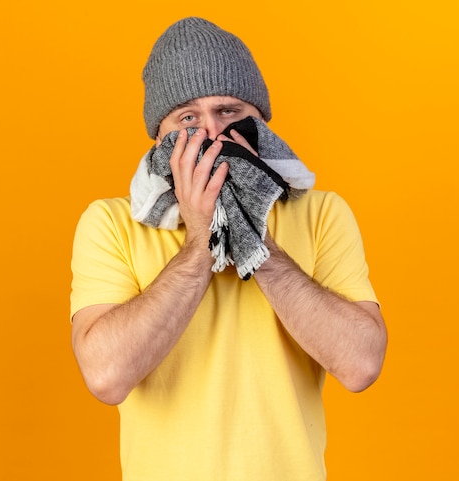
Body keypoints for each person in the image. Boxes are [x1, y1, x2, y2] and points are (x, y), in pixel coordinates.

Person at [70, 16, 387, 481]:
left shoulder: (322, 213)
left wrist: (254, 239)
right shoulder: (111, 223)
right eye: (188, 118)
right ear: (161, 136)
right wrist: (200, 244)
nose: (212, 135)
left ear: (260, 122)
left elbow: (361, 364)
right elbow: (106, 376)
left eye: (229, 112)